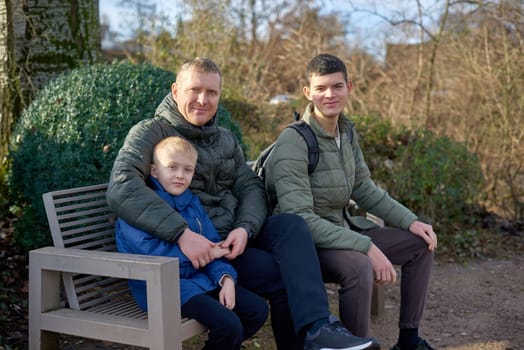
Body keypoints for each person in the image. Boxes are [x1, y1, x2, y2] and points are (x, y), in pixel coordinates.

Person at [107, 57, 380, 350]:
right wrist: (181, 233)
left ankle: (317, 330)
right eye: (194, 90)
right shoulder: (151, 132)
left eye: (212, 92)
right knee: (279, 275)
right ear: (175, 91)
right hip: (195, 252)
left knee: (290, 225)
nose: (203, 99)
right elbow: (122, 188)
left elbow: (250, 186)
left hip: (231, 239)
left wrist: (245, 229)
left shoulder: (223, 138)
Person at [264, 53, 437, 350]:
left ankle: (409, 341)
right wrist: (367, 246)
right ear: (308, 93)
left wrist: (411, 221)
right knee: (358, 265)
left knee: (420, 244)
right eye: (320, 88)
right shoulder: (294, 141)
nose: (329, 95)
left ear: (349, 87)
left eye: (336, 86)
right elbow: (299, 218)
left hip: (345, 228)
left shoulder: (346, 131)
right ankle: (354, 347)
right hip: (308, 244)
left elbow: (364, 189)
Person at [115, 136, 268, 350]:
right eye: (172, 167)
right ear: (154, 171)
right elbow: (153, 257)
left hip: (200, 280)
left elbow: (213, 244)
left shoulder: (192, 203)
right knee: (229, 325)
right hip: (163, 288)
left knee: (257, 310)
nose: (180, 175)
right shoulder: (137, 209)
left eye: (187, 170)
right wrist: (208, 253)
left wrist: (226, 279)